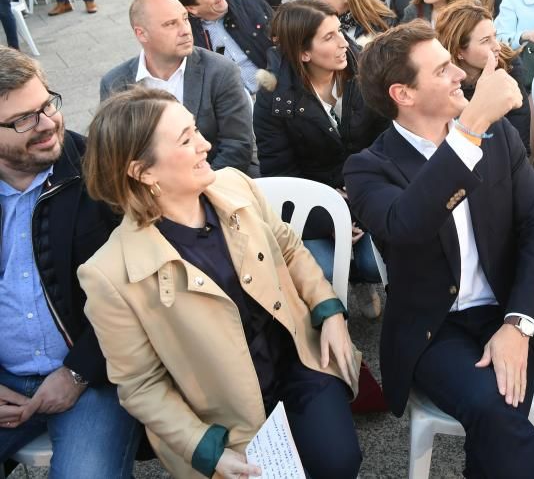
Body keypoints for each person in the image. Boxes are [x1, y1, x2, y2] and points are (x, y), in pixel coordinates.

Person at [79, 86, 363, 479]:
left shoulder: (234, 183)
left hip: (296, 362)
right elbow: (141, 386)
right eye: (186, 139)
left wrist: (328, 310)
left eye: (195, 129)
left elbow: (290, 248)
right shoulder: (108, 274)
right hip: (219, 419)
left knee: (338, 462)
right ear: (142, 172)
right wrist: (208, 451)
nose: (206, 144)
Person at [343, 19, 534, 479]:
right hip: (432, 331)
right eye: (442, 69)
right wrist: (473, 123)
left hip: (506, 309)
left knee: (498, 410)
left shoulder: (499, 136)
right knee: (500, 406)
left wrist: (519, 324)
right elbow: (407, 225)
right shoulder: (368, 168)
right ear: (404, 94)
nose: (460, 73)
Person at [0, 48, 142, 476]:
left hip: (93, 378)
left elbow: (144, 290)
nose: (46, 124)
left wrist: (78, 372)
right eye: (23, 119)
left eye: (46, 105)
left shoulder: (101, 170)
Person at [253, 0, 386, 308]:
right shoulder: (275, 99)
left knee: (369, 264)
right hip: (313, 200)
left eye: (339, 30)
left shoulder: (367, 70)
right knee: (323, 269)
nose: (343, 42)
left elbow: (387, 141)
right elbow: (280, 173)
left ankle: (362, 280)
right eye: (329, 37)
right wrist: (331, 215)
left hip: (365, 188)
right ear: (303, 53)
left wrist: (360, 203)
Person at [99, 0, 254, 172]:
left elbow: (238, 147)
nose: (185, 31)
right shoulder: (116, 83)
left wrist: (191, 189)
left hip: (219, 181)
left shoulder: (220, 71)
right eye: (171, 24)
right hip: (152, 190)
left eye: (185, 19)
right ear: (141, 34)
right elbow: (117, 154)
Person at [160, 0, 272, 95]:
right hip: (231, 107)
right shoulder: (184, 36)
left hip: (274, 94)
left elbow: (286, 43)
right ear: (191, 9)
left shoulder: (249, 1)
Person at [435, 0, 531, 152]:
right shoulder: (441, 82)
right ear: (459, 51)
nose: (497, 46)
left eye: (495, 36)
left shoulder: (509, 65)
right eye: (485, 41)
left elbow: (520, 132)